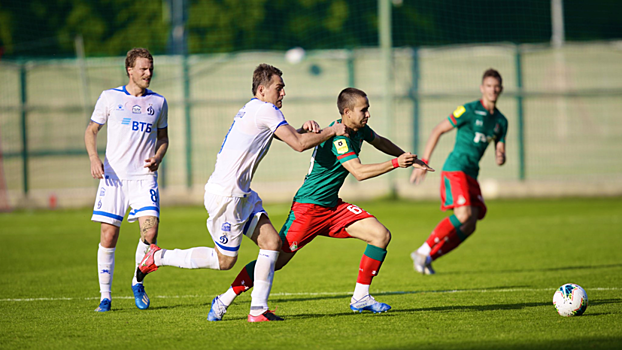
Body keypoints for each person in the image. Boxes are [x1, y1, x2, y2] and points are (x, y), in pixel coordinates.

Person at [136, 63, 348, 322]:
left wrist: (303, 129)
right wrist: (332, 130)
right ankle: (157, 256)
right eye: (279, 88)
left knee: (272, 243)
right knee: (225, 261)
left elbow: (293, 136)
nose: (283, 94)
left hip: (241, 194)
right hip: (226, 196)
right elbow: (299, 145)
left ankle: (258, 310)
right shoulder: (265, 110)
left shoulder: (256, 108)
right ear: (262, 89)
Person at [205, 87, 433, 321]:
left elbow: (380, 141)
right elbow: (359, 172)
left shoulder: (359, 130)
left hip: (332, 208)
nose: (368, 115)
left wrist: (411, 158)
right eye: (363, 110)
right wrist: (396, 163)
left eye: (368, 110)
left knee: (380, 235)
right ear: (347, 112)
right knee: (275, 260)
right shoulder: (340, 138)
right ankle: (224, 299)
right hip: (308, 210)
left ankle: (361, 298)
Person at [85, 48, 169, 312]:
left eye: (151, 68)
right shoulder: (110, 97)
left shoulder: (159, 102)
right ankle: (105, 296)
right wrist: (93, 158)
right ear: (130, 70)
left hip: (144, 178)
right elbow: (91, 130)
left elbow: (164, 138)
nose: (148, 73)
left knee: (150, 232)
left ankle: (137, 280)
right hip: (114, 178)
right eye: (143, 68)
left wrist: (158, 157)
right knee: (109, 236)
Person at [409, 68, 508, 275]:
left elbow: (500, 150)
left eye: (496, 86)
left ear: (501, 89)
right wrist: (424, 161)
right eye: (489, 86)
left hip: (471, 174)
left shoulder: (501, 121)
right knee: (463, 214)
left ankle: (428, 258)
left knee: (471, 223)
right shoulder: (468, 110)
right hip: (455, 168)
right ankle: (422, 250)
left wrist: (501, 156)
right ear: (482, 88)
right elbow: (438, 130)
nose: (493, 90)